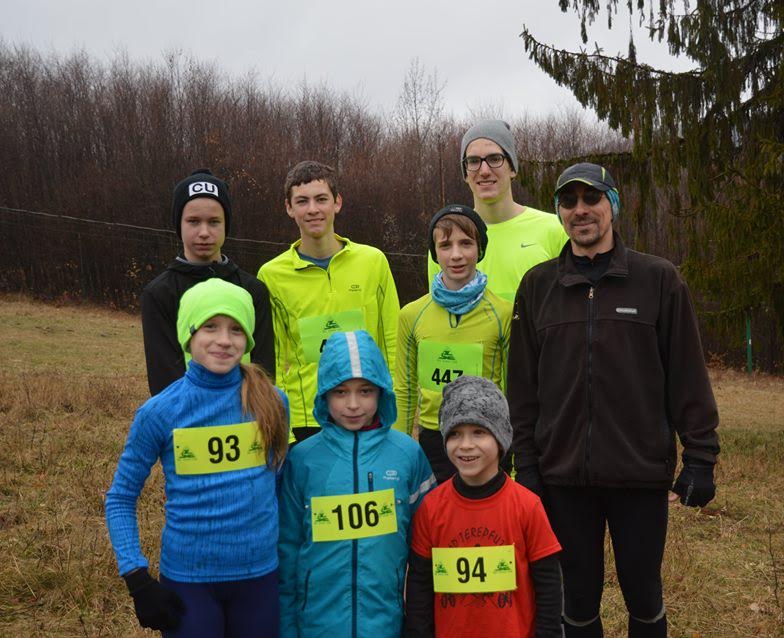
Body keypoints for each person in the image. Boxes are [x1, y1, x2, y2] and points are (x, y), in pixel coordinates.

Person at [507, 163, 720, 637]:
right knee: (576, 599)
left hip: (639, 476)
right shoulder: (538, 286)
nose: (580, 210)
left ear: (613, 206)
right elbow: (521, 389)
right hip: (562, 479)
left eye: (592, 199)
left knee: (643, 594)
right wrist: (528, 467)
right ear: (559, 212)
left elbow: (686, 374)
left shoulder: (658, 280)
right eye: (569, 201)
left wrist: (701, 457)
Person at [105, 278, 290, 637]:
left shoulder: (273, 402)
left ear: (249, 339)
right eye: (211, 326)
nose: (224, 340)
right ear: (188, 334)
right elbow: (121, 498)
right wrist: (138, 580)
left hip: (260, 578)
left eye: (236, 329)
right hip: (190, 582)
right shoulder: (160, 411)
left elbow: (278, 483)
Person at [278, 329, 435, 638]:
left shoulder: (408, 454)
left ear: (382, 392)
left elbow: (428, 544)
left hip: (386, 623)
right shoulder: (303, 459)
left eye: (365, 391)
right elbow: (287, 551)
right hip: (317, 625)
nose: (352, 404)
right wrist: (287, 628)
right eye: (340, 392)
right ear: (324, 394)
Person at [404, 375, 563, 638]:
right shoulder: (431, 507)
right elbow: (420, 585)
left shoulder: (527, 506)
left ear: (500, 438)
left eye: (479, 432)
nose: (465, 445)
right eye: (455, 434)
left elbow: (548, 584)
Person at [258, 161, 400, 442]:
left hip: (367, 411)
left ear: (337, 203)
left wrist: (390, 409)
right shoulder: (271, 275)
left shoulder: (373, 262)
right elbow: (273, 360)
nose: (312, 209)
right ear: (289, 208)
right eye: (302, 201)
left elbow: (392, 342)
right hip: (307, 418)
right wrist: (283, 428)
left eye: (321, 199)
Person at [396, 204, 511, 482]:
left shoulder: (504, 313)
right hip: (432, 441)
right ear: (434, 253)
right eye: (445, 245)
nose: (456, 255)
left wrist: (512, 451)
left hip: (487, 437)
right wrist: (398, 449)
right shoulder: (412, 314)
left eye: (466, 243)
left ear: (480, 250)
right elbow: (404, 389)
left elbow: (513, 390)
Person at [141, 168, 275, 396]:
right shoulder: (159, 294)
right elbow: (163, 380)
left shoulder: (253, 290)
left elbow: (263, 371)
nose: (204, 232)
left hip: (244, 419)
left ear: (226, 224)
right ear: (178, 224)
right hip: (188, 423)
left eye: (214, 222)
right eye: (193, 221)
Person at [427, 120, 567, 303]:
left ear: (512, 168)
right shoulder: (446, 242)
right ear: (465, 173)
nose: (484, 171)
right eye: (474, 161)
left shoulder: (556, 229)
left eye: (494, 159)